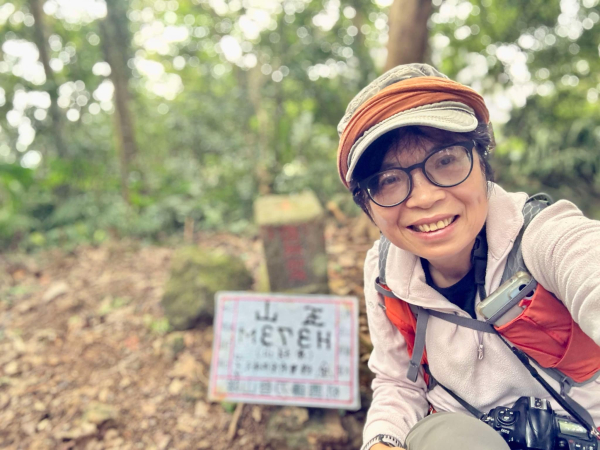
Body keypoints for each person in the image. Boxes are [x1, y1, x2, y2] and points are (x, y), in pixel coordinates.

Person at [336, 63, 600, 450]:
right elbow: (398, 382)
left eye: (446, 160)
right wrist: (381, 441)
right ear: (367, 205)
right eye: (388, 180)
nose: (425, 198)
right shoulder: (383, 271)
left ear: (482, 161)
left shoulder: (544, 236)